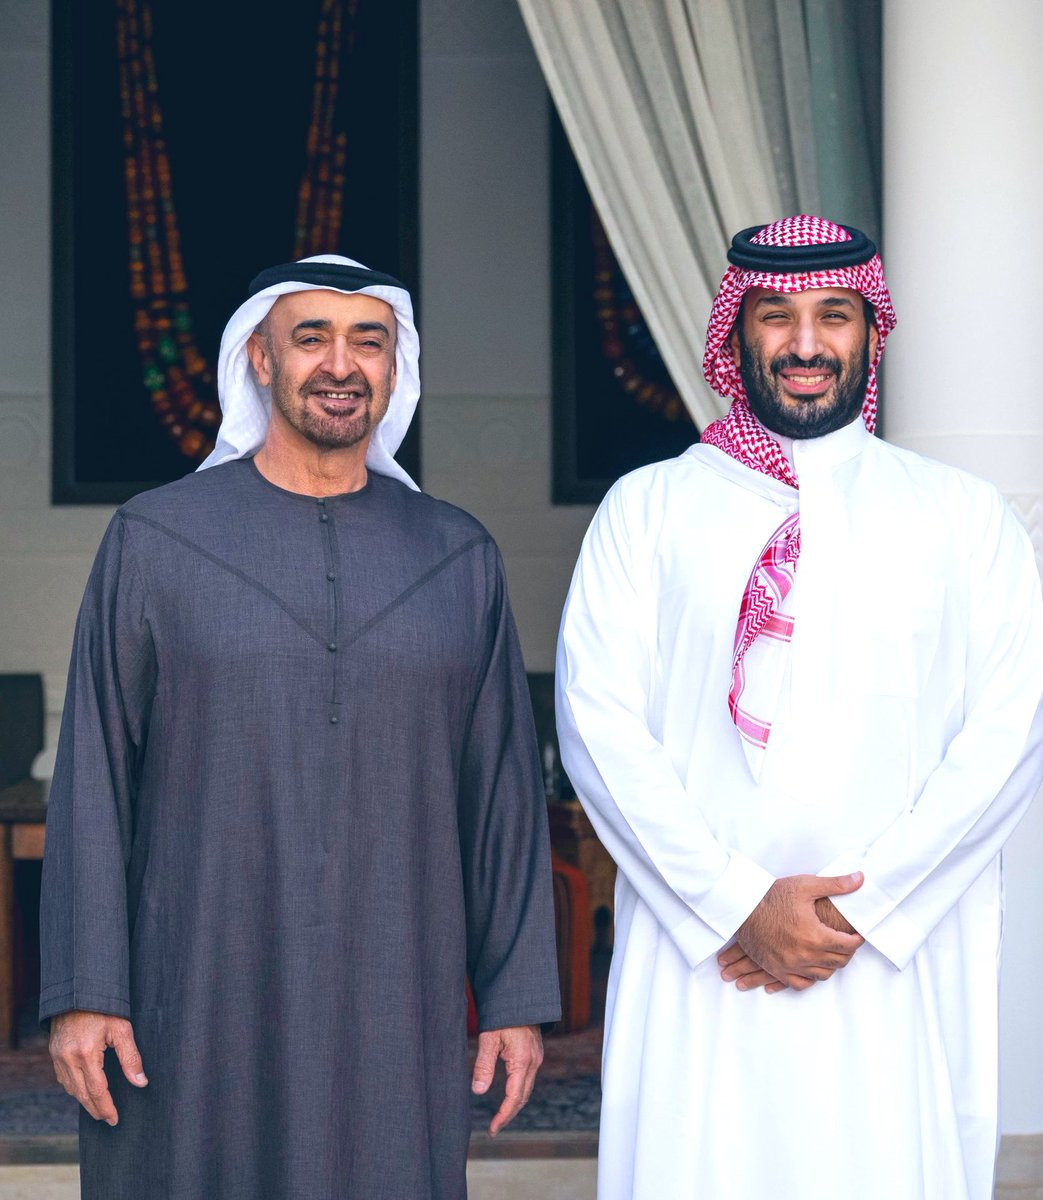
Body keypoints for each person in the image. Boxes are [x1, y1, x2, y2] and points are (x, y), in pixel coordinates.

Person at [41, 255, 561, 1200]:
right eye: (311, 338)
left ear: (395, 368)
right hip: (193, 985)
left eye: (369, 341)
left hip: (397, 984)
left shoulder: (456, 555)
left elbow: (502, 799)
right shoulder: (155, 538)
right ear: (259, 360)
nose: (341, 364)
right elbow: (93, 780)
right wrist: (85, 991)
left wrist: (515, 999)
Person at [555, 215, 1043, 1200]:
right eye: (775, 315)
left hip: (890, 962)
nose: (805, 343)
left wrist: (860, 911)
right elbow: (596, 726)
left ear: (872, 330)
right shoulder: (646, 510)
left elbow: (1008, 729)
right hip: (705, 962)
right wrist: (735, 904)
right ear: (736, 331)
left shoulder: (959, 516)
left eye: (834, 314)